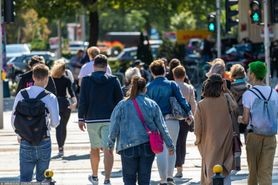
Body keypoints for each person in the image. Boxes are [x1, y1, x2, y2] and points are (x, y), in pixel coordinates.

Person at [108, 76, 175, 185]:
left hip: (127, 146)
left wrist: (110, 144)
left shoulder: (122, 105)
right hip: (147, 145)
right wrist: (170, 145)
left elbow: (114, 126)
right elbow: (162, 126)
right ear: (145, 89)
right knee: (144, 179)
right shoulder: (152, 104)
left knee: (129, 180)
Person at [78, 54, 123, 185]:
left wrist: (81, 118)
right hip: (109, 119)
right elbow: (119, 102)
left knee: (94, 148)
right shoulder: (114, 80)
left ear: (94, 66)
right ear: (106, 66)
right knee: (108, 149)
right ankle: (107, 179)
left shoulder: (86, 80)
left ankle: (95, 176)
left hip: (92, 119)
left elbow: (83, 100)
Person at [147, 59, 193, 185]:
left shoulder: (149, 87)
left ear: (152, 72)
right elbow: (182, 100)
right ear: (165, 70)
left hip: (156, 123)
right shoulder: (172, 85)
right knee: (171, 147)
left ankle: (162, 179)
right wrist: (189, 113)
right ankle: (170, 177)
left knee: (160, 151)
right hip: (172, 120)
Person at [11, 64, 60, 182]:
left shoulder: (21, 94)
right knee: (43, 179)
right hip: (44, 139)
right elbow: (55, 123)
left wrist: (19, 134)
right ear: (47, 78)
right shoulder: (50, 97)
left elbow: (13, 119)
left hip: (25, 140)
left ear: (33, 77)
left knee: (25, 179)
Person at [239, 61, 278, 185]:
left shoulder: (248, 94)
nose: (247, 74)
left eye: (249, 72)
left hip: (254, 136)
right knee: (266, 172)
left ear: (253, 75)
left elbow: (245, 120)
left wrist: (239, 119)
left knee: (253, 172)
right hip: (271, 136)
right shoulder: (274, 93)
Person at [194, 74, 234, 185]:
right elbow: (235, 109)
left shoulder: (201, 104)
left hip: (208, 142)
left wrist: (198, 141)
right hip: (226, 141)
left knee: (210, 170)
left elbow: (197, 128)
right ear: (221, 86)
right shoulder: (226, 99)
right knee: (225, 170)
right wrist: (226, 91)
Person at [172, 66, 197, 178]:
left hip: (172, 118)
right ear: (184, 75)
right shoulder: (189, 87)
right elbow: (193, 104)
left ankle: (171, 166)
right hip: (185, 119)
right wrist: (192, 117)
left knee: (172, 142)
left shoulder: (170, 86)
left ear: (174, 75)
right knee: (182, 142)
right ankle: (180, 168)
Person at [51, 60, 77, 157]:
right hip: (65, 104)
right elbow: (71, 92)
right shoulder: (66, 79)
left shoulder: (50, 79)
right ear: (62, 70)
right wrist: (75, 102)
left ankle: (60, 148)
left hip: (54, 104)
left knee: (58, 127)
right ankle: (62, 147)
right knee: (63, 126)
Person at [229, 64, 250, 139]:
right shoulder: (249, 87)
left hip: (234, 114)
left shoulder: (230, 87)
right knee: (248, 138)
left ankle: (237, 150)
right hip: (247, 113)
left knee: (235, 138)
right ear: (244, 74)